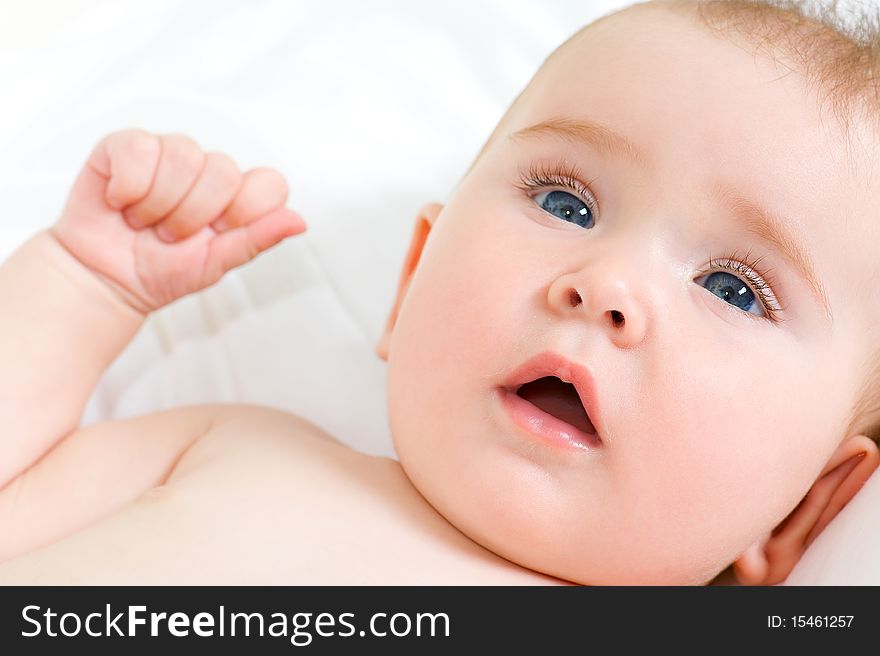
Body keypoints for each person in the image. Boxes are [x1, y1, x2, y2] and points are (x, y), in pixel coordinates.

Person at [1, 0, 878, 585]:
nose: (606, 283)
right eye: (566, 203)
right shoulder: (230, 451)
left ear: (805, 506)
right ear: (411, 281)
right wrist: (84, 285)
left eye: (732, 289)